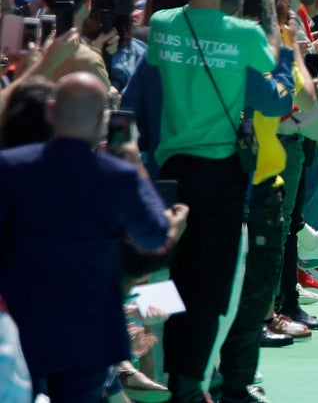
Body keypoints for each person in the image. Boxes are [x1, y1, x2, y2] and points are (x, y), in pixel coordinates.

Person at [0, 72, 186, 402]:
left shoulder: (10, 166)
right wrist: (136, 169)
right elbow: (155, 234)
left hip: (24, 320)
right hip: (91, 329)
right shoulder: (117, 175)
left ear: (52, 111)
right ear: (102, 119)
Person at [147, 0, 278, 401]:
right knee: (210, 286)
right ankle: (188, 382)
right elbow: (275, 65)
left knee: (165, 276)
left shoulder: (162, 23)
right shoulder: (244, 33)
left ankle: (160, 374)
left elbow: (156, 67)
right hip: (220, 171)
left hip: (169, 169)